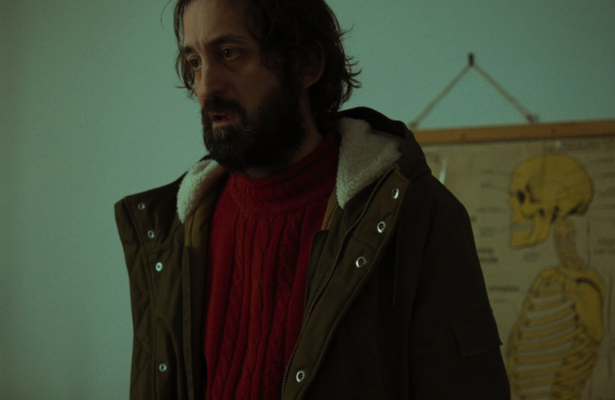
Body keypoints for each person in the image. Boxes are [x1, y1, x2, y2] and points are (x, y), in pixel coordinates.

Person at [114, 0, 511, 398]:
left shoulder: (414, 214)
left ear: (305, 64)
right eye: (195, 62)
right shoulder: (170, 231)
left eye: (229, 53)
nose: (205, 87)